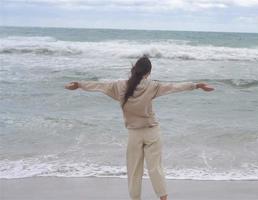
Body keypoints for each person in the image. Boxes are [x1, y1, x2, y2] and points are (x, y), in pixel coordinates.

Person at [64, 56, 214, 200]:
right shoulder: (152, 86)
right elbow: (173, 87)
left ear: (134, 69)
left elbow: (99, 86)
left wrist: (79, 84)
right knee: (155, 168)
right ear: (148, 73)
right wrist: (196, 86)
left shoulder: (119, 86)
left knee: (134, 170)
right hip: (152, 132)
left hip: (134, 134)